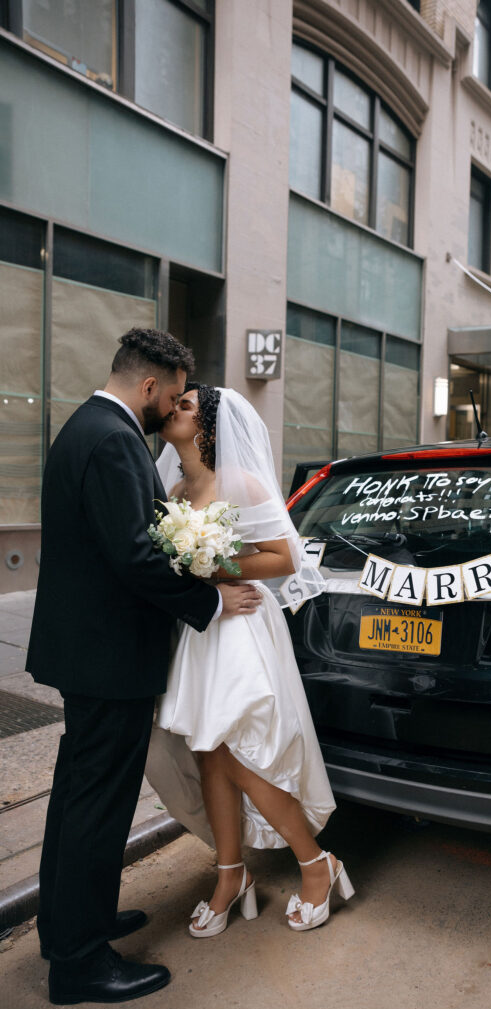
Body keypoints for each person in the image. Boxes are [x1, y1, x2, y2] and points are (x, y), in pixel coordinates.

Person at [26, 330, 262, 1006]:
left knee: (79, 796)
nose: (179, 407)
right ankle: (78, 963)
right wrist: (208, 599)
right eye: (177, 395)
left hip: (88, 650)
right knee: (97, 803)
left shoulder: (88, 426)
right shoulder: (113, 439)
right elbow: (133, 555)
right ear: (150, 387)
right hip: (107, 654)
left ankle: (75, 922)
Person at [145, 384, 353, 938]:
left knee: (241, 752)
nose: (173, 411)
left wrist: (218, 568)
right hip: (200, 629)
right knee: (209, 750)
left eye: (186, 407)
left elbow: (285, 557)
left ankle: (317, 864)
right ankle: (230, 874)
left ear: (209, 427)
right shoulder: (175, 486)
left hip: (239, 625)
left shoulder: (243, 482)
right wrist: (194, 575)